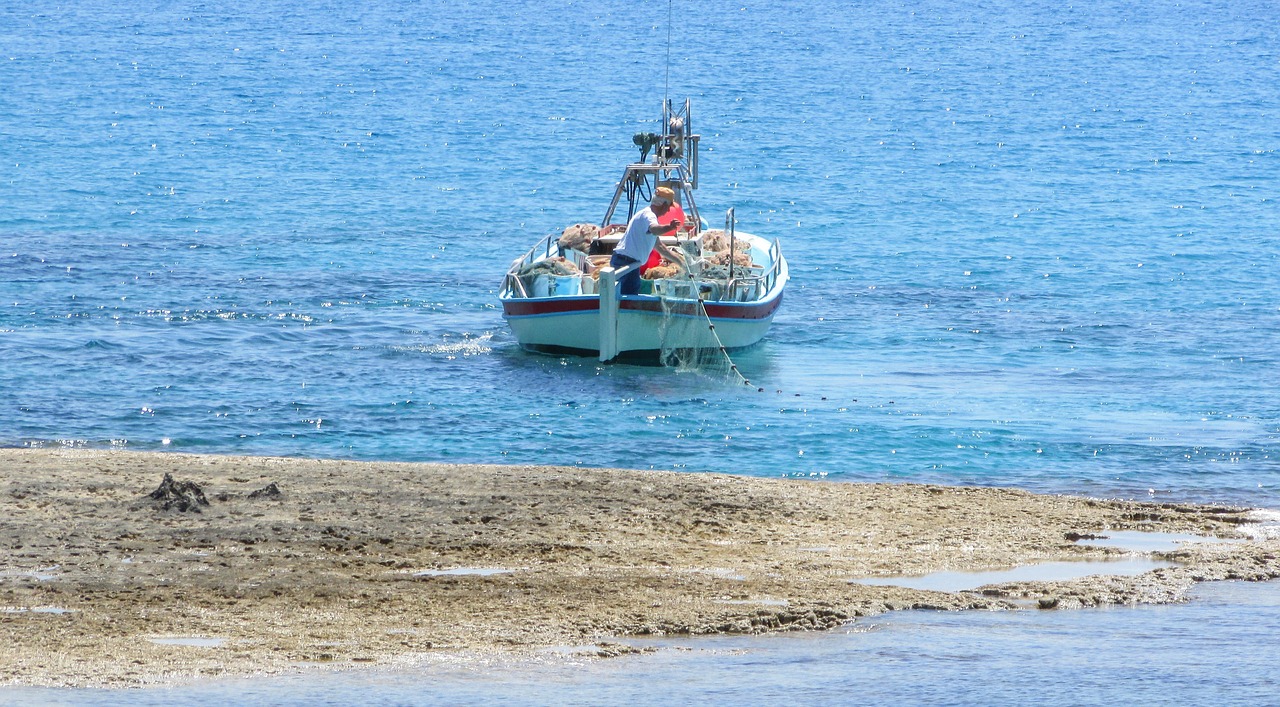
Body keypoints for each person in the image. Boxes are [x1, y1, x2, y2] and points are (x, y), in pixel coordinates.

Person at [609, 186, 685, 295]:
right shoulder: (649, 216)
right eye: (669, 207)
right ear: (663, 205)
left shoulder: (646, 215)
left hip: (627, 262)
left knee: (626, 295)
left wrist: (680, 262)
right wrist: (669, 227)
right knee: (628, 299)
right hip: (626, 263)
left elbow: (661, 247)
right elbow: (654, 229)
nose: (669, 210)